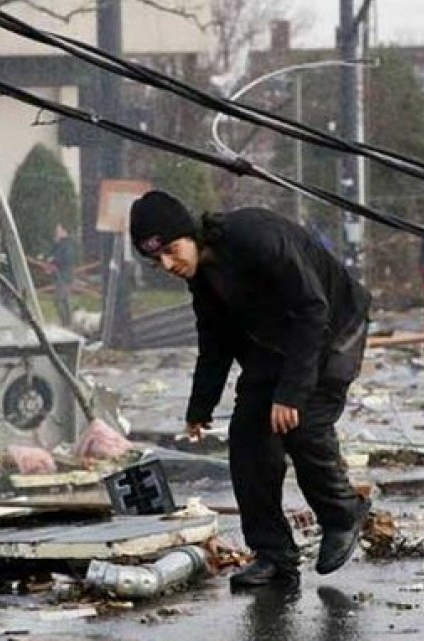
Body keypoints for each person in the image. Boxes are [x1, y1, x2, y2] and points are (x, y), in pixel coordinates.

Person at [129, 190, 372, 592]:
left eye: (171, 251)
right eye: (157, 261)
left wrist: (291, 393)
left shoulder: (255, 238)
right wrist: (200, 406)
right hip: (273, 342)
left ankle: (343, 514)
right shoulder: (202, 277)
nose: (168, 265)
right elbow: (215, 341)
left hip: (332, 328)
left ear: (190, 232)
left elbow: (312, 310)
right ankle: (274, 556)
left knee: (303, 426)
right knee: (248, 440)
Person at [50, 223, 77, 327]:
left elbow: (66, 258)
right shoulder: (60, 244)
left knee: (62, 300)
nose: (56, 232)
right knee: (60, 300)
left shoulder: (68, 244)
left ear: (64, 231)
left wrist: (55, 260)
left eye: (58, 229)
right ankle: (65, 321)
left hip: (64, 277)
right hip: (60, 276)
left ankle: (67, 322)